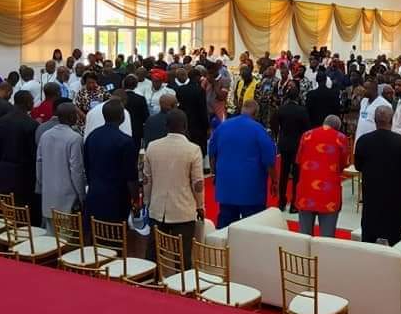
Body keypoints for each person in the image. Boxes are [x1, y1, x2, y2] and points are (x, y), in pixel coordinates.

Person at [143, 108, 204, 268]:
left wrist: (147, 202)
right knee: (182, 257)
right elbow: (197, 183)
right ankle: (181, 283)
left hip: (157, 209)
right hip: (183, 211)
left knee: (153, 254)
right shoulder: (193, 149)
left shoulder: (152, 147)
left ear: (166, 125)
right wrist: (200, 206)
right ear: (185, 125)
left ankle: (150, 280)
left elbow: (147, 180)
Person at [354, 105, 401, 246]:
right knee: (396, 242)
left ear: (374, 120)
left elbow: (358, 166)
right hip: (397, 199)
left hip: (372, 197)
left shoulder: (363, 141)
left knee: (368, 240)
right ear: (392, 120)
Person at [209, 100, 277, 228]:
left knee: (225, 227)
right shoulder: (259, 130)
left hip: (226, 186)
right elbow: (269, 160)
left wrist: (214, 173)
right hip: (251, 189)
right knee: (252, 228)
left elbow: (212, 152)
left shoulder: (223, 127)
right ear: (256, 114)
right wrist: (274, 181)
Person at [84, 99, 140, 224]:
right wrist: (136, 199)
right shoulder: (126, 141)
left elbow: (86, 166)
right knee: (115, 234)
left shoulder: (92, 136)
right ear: (122, 117)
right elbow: (131, 175)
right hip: (117, 199)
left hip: (94, 194)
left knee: (96, 232)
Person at [295, 115, 350, 237]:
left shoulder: (306, 135)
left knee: (303, 238)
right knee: (326, 239)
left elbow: (299, 160)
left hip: (306, 191)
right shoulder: (341, 138)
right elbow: (343, 165)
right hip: (329, 195)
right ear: (337, 128)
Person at [35, 103, 85, 234]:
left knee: (50, 236)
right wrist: (81, 195)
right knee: (65, 238)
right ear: (71, 117)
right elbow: (76, 171)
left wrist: (42, 185)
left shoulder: (45, 135)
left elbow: (39, 163)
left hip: (48, 194)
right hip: (67, 198)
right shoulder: (75, 138)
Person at [0, 91, 38, 218]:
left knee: (6, 207)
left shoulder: (0, 121)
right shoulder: (31, 124)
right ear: (26, 103)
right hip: (24, 174)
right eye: (32, 101)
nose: (33, 104)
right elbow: (33, 153)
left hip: (4, 170)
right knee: (22, 210)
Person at [275, 86, 310, 213]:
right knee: (296, 175)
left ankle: (281, 202)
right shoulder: (302, 111)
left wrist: (279, 135)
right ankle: (294, 204)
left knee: (283, 174)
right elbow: (307, 129)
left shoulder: (281, 109)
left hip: (284, 143)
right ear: (298, 96)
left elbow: (274, 124)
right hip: (297, 145)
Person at [174, 67, 210, 157]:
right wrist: (207, 126)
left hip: (184, 123)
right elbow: (203, 110)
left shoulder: (181, 89)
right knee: (198, 151)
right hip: (198, 125)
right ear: (197, 77)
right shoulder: (200, 90)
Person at [355, 80, 391, 149]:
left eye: (366, 88)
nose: (363, 90)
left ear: (373, 90)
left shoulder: (384, 104)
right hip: (360, 137)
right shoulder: (363, 101)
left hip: (374, 140)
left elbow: (388, 125)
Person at [122, 74, 149, 151]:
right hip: (136, 131)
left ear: (123, 84)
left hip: (121, 130)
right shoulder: (140, 99)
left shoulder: (119, 98)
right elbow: (146, 117)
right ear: (136, 85)